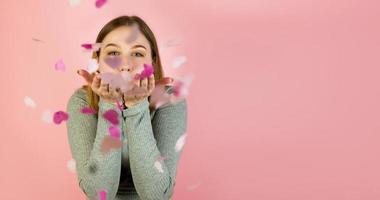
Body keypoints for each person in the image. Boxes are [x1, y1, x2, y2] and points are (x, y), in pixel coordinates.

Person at [66, 15, 187, 200]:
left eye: (137, 54)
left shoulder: (170, 99)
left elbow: (156, 195)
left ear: (152, 62)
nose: (125, 66)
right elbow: (99, 193)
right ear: (97, 61)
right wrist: (109, 104)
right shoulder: (81, 102)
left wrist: (136, 106)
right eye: (113, 53)